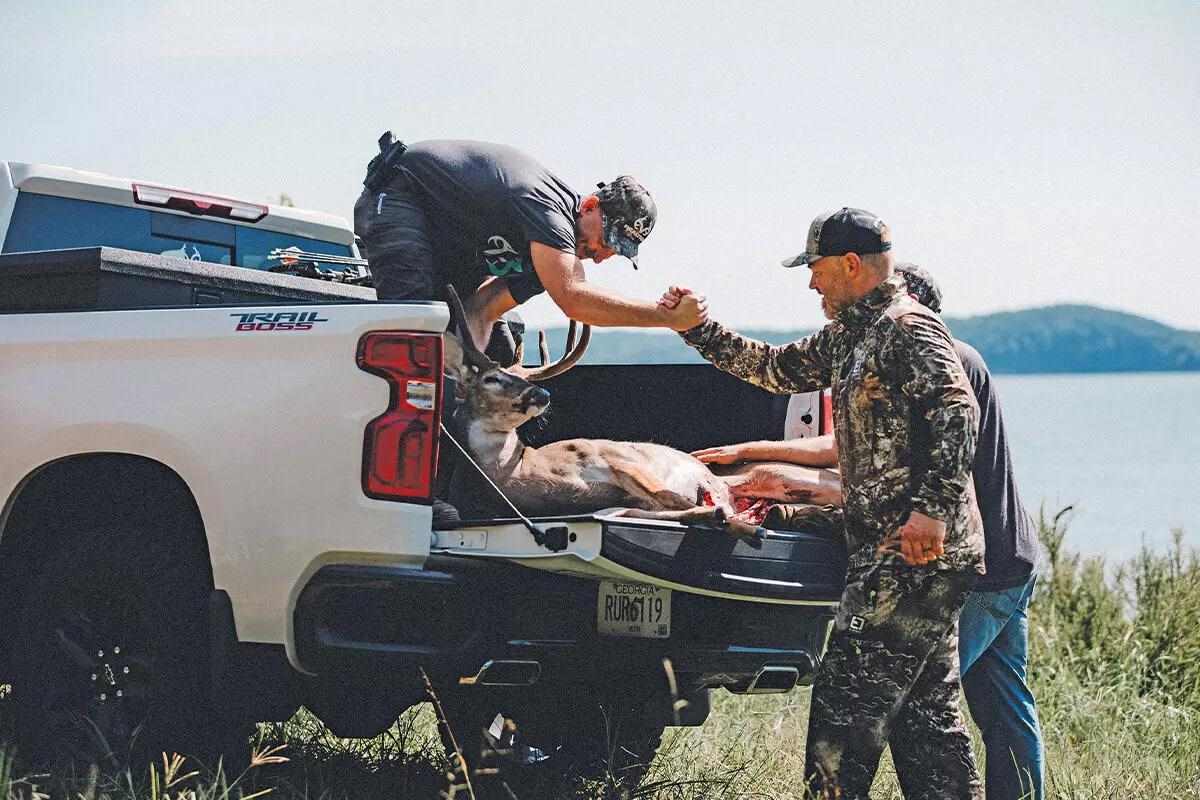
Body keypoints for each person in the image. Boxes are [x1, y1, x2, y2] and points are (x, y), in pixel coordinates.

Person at [692, 263, 1045, 800]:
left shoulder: (923, 341)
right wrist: (699, 333)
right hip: (966, 558)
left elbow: (954, 422)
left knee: (847, 710)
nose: (812, 285)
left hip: (940, 561)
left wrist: (928, 511)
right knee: (934, 716)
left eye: (818, 271)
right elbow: (818, 411)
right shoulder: (857, 341)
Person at [353, 136, 706, 355]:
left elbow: (483, 309)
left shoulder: (548, 257)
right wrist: (664, 317)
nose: (600, 257)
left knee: (498, 352)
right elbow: (573, 300)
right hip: (400, 196)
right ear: (589, 206)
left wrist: (472, 385)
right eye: (606, 240)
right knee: (418, 332)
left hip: (446, 243)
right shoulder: (547, 211)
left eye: (616, 252)